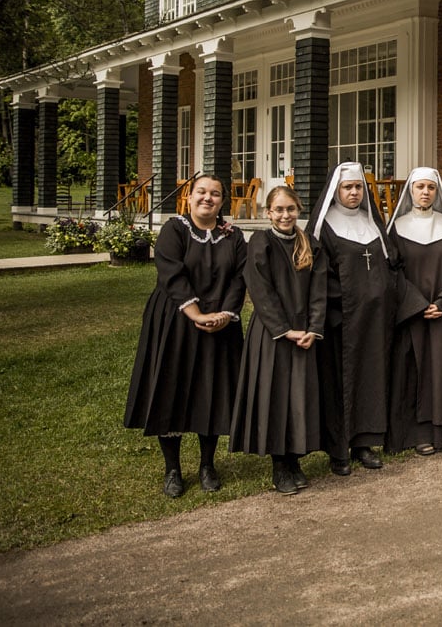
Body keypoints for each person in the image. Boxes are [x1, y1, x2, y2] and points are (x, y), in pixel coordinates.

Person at [124, 173, 247, 497]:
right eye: (201, 192)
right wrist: (196, 314)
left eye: (215, 194)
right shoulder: (174, 229)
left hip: (220, 324)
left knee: (213, 390)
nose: (208, 198)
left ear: (222, 201)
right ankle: (173, 470)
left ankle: (207, 465)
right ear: (189, 197)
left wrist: (225, 315)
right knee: (172, 389)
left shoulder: (233, 236)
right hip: (177, 320)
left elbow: (239, 278)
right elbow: (171, 274)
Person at [229, 185, 327, 495]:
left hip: (305, 331)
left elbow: (319, 290)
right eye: (279, 210)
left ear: (299, 210)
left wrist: (313, 327)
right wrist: (285, 329)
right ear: (268, 212)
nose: (285, 215)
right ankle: (279, 465)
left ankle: (295, 459)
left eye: (291, 209)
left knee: (299, 397)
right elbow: (261, 290)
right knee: (276, 397)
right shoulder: (261, 243)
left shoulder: (310, 243)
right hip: (274, 333)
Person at [313, 163, 407, 475]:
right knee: (340, 382)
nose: (353, 193)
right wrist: (344, 304)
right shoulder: (325, 227)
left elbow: (391, 263)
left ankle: (364, 442)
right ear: (335, 191)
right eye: (347, 187)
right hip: (341, 321)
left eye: (358, 187)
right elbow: (319, 274)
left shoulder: (372, 223)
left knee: (371, 377)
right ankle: (338, 448)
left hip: (375, 319)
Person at [386, 167, 442, 456]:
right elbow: (392, 273)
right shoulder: (397, 228)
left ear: (437, 192)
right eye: (420, 187)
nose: (425, 192)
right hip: (411, 313)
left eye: (431, 187)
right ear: (410, 190)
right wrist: (417, 304)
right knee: (413, 369)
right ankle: (418, 431)